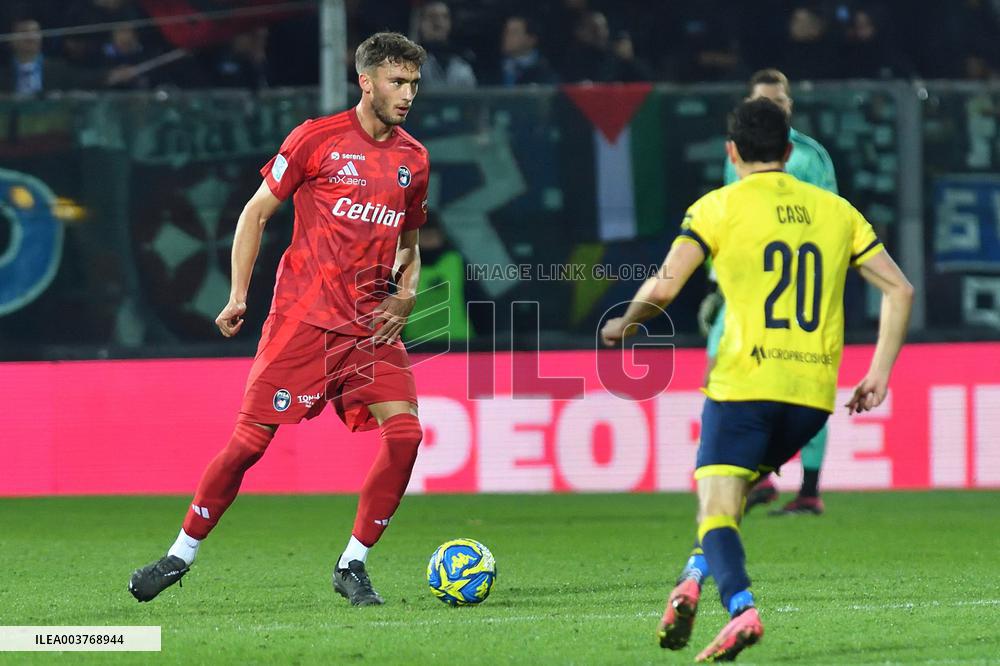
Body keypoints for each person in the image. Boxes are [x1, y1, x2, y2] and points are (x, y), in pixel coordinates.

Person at [601, 98, 913, 661]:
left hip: (744, 385)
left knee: (716, 507)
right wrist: (879, 371)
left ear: (731, 151)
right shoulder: (838, 211)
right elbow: (900, 289)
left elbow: (665, 287)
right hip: (811, 396)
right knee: (736, 494)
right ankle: (689, 581)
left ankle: (742, 609)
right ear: (789, 151)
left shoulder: (717, 207)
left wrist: (625, 323)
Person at [128, 32, 431, 607]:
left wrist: (407, 293)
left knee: (407, 434)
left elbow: (409, 246)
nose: (408, 93)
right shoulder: (316, 139)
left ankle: (352, 564)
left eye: (414, 83)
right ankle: (180, 554)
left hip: (370, 327)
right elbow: (255, 213)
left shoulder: (414, 158)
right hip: (305, 321)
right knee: (248, 444)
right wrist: (237, 294)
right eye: (397, 81)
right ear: (366, 82)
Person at [700, 68, 837, 516]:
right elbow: (728, 220)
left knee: (804, 380)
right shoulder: (738, 153)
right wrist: (718, 285)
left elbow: (832, 220)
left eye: (778, 101)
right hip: (746, 285)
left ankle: (808, 488)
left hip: (795, 289)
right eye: (763, 101)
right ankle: (756, 475)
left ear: (789, 106)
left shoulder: (809, 158)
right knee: (720, 359)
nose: (771, 108)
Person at [414, 1, 476, 88]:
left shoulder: (463, 62)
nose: (439, 23)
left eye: (444, 17)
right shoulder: (409, 62)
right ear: (420, 23)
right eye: (432, 17)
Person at [497, 15, 558, 86]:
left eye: (514, 32)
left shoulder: (546, 71)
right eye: (506, 32)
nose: (506, 37)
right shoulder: (493, 67)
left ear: (531, 39)